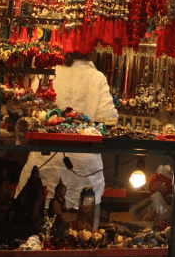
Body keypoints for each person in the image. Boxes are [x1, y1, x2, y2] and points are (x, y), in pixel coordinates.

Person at [15, 52, 118, 229]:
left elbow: (30, 109)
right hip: (84, 165)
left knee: (34, 224)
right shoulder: (96, 77)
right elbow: (108, 119)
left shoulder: (46, 73)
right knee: (80, 230)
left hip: (43, 163)